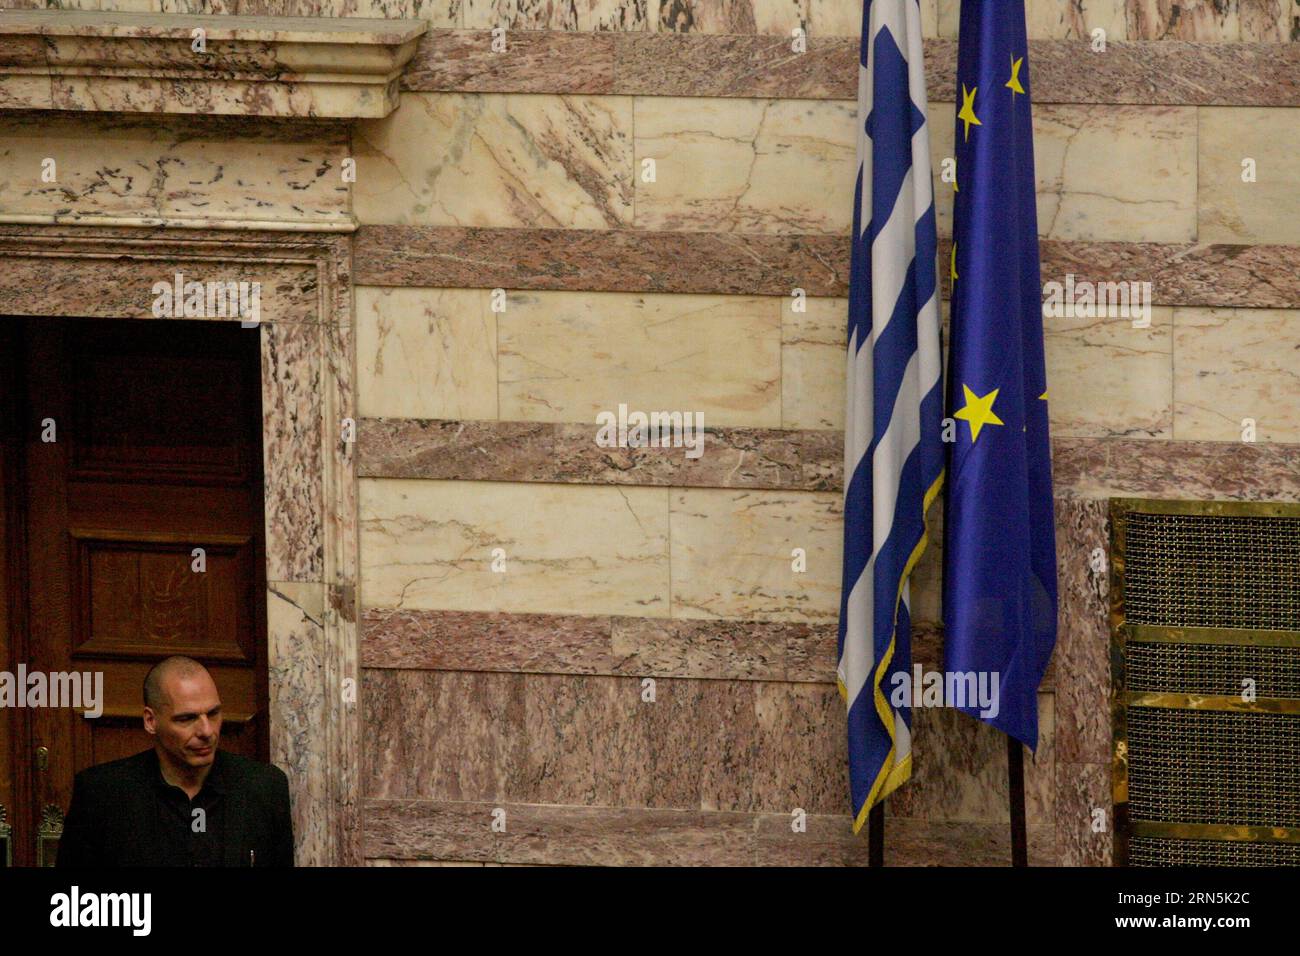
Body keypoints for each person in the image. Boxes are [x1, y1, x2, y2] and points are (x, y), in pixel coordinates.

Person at [56, 656, 294, 867]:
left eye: (213, 713)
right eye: (187, 718)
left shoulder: (265, 787)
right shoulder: (101, 794)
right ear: (151, 721)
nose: (207, 731)